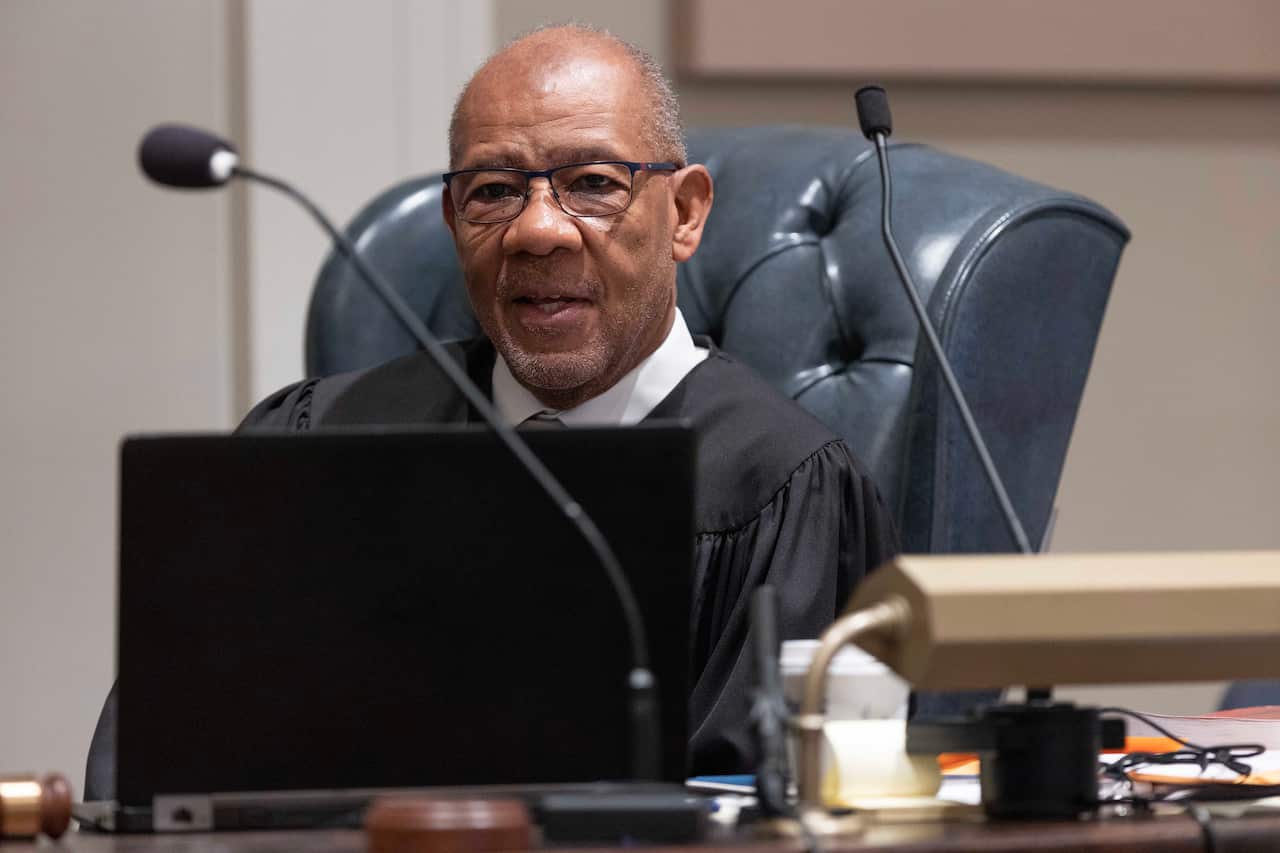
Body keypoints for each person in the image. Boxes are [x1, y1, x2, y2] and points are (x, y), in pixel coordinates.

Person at [85, 25, 896, 795]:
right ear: (453, 220)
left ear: (684, 214)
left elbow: (755, 814)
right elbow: (152, 777)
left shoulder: (782, 493)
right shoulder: (312, 443)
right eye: (494, 191)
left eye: (593, 184)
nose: (537, 231)